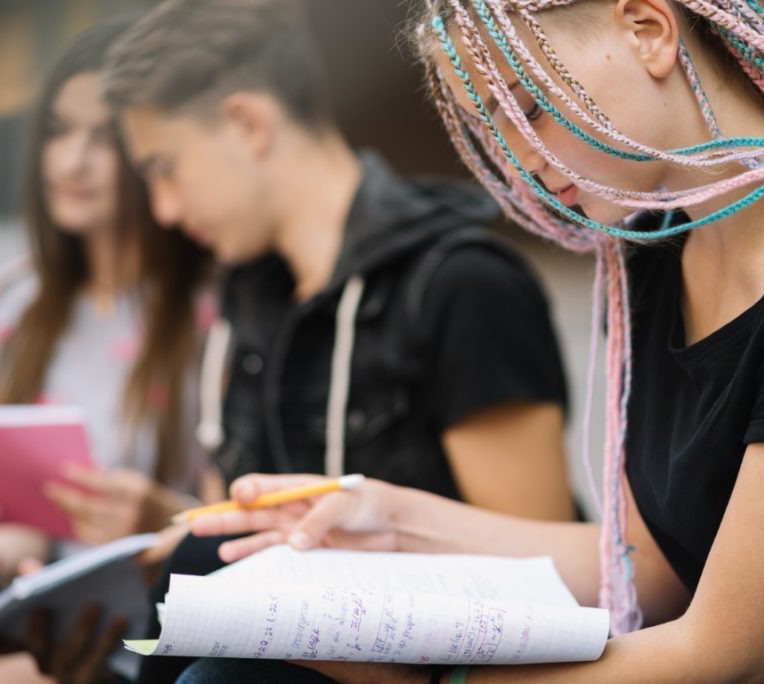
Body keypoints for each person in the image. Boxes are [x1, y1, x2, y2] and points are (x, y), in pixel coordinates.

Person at [183, 0, 764, 682]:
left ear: (648, 31)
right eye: (489, 126)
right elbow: (646, 571)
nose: (516, 160)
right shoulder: (654, 241)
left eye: (531, 109)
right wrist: (384, 519)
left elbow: (724, 657)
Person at [102, 0, 579, 679]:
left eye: (165, 168)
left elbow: (544, 593)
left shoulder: (459, 284)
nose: (165, 211)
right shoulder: (248, 294)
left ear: (247, 123)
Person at [0, 19, 214, 684]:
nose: (71, 161)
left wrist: (165, 514)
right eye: (57, 131)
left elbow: (228, 515)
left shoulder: (206, 308)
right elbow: (10, 509)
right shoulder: (16, 300)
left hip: (147, 615)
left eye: (103, 137)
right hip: (23, 594)